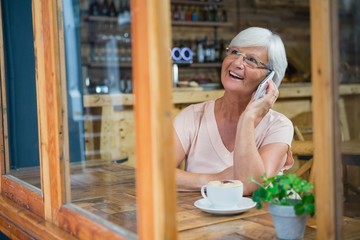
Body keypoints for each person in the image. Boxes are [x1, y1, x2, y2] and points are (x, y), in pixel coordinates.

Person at [173, 27, 294, 195]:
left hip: (256, 221)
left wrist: (248, 118)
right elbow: (155, 173)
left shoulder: (278, 126)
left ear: (269, 79)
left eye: (251, 60)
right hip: (195, 218)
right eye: (235, 52)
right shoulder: (193, 116)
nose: (237, 63)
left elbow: (250, 185)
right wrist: (217, 179)